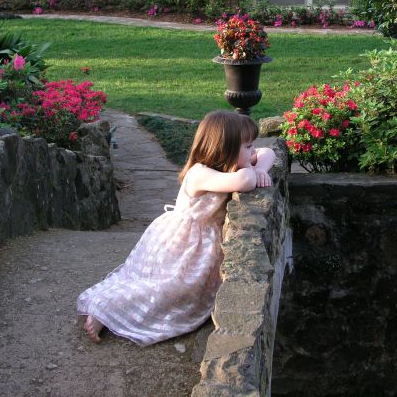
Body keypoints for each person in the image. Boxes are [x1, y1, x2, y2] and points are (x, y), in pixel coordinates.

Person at [77, 110, 276, 345]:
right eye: (248, 147)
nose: (253, 152)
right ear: (226, 147)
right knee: (167, 288)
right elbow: (246, 181)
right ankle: (105, 310)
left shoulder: (230, 165)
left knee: (183, 291)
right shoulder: (199, 174)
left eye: (251, 146)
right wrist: (255, 171)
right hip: (181, 244)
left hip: (200, 245)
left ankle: (110, 308)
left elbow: (269, 152)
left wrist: (260, 167)